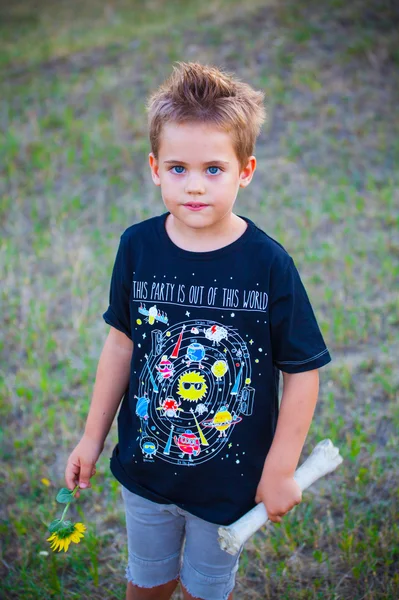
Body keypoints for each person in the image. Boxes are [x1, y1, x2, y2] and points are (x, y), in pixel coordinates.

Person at [65, 61, 332, 600]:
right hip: (146, 470)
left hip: (229, 485)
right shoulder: (137, 247)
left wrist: (280, 469)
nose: (194, 185)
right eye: (178, 167)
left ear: (245, 170)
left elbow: (302, 373)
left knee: (205, 592)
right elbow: (121, 343)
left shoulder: (268, 265)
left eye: (213, 169)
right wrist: (92, 437)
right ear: (155, 169)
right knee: (147, 582)